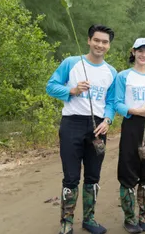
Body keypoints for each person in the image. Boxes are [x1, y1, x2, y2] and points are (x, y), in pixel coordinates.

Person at [46, 24, 116, 234]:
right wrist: (73, 90)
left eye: (104, 42)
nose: (100, 45)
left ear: (109, 45)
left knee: (93, 175)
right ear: (89, 40)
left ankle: (89, 219)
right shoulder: (71, 63)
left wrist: (108, 120)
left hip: (98, 128)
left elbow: (111, 101)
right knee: (71, 177)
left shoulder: (111, 72)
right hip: (72, 124)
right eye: (97, 40)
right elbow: (51, 86)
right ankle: (66, 222)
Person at [114, 38, 145, 233]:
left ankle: (144, 215)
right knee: (128, 169)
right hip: (131, 124)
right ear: (133, 52)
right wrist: (135, 111)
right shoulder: (123, 76)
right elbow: (117, 103)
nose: (144, 55)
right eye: (140, 51)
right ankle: (129, 218)